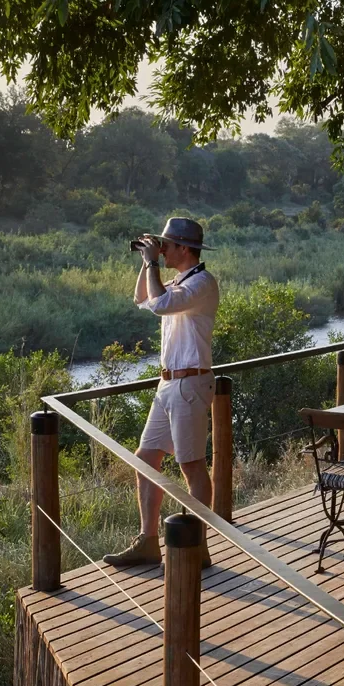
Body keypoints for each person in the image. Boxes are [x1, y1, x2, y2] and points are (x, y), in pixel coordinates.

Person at [104, 216, 219, 567]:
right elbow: (143, 299)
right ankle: (148, 542)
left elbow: (162, 305)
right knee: (146, 456)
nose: (163, 249)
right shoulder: (178, 280)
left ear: (185, 248)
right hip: (168, 383)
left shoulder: (201, 283)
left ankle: (196, 547)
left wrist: (154, 263)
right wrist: (146, 262)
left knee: (192, 467)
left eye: (167, 245)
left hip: (190, 383)